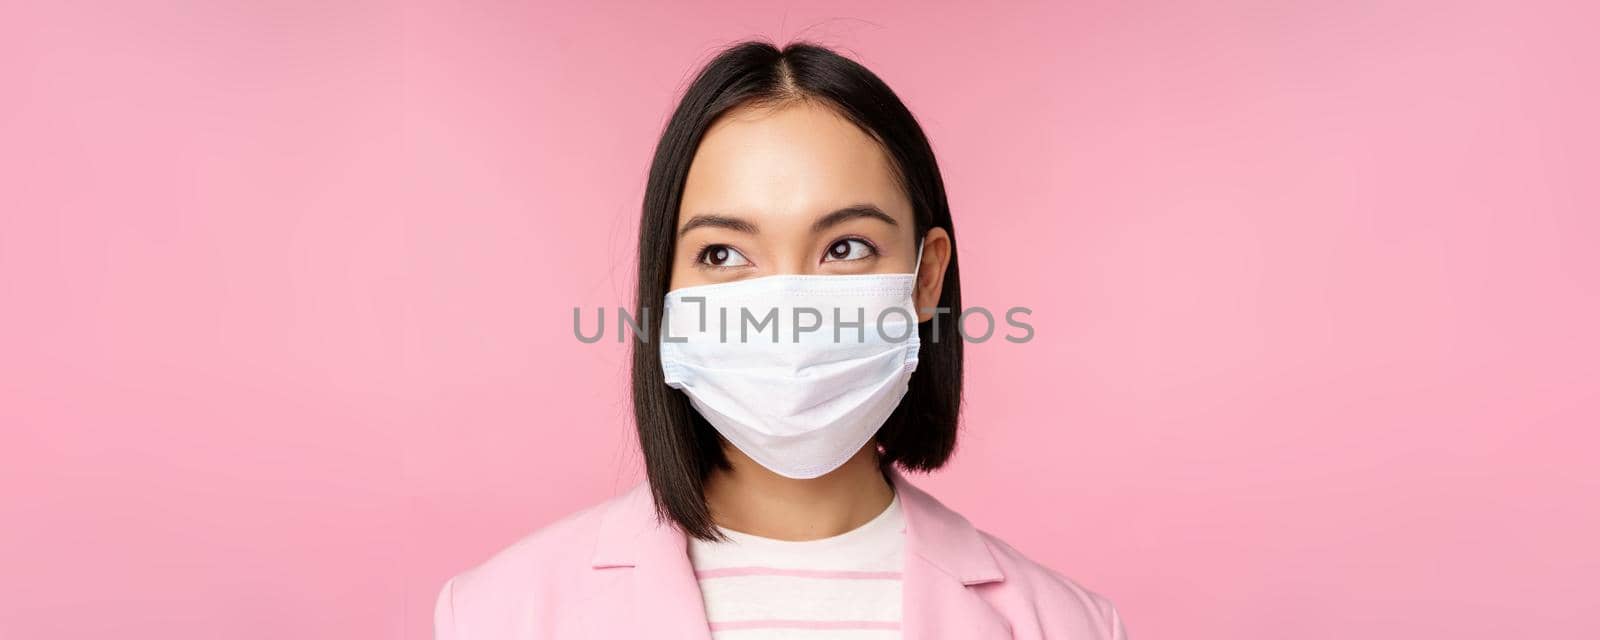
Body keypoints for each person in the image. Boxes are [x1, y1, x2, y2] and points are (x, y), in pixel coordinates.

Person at [434, 40, 1127, 640]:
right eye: (724, 254)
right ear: (665, 293)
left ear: (925, 279)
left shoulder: (1070, 627)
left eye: (846, 247)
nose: (788, 308)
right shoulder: (500, 613)